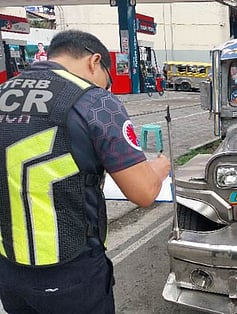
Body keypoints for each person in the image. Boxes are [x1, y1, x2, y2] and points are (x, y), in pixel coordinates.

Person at [0, 30, 171, 313]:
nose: (107, 87)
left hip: (9, 269)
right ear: (95, 61)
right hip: (72, 273)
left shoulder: (4, 91)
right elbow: (143, 193)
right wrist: (159, 167)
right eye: (108, 79)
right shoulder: (96, 102)